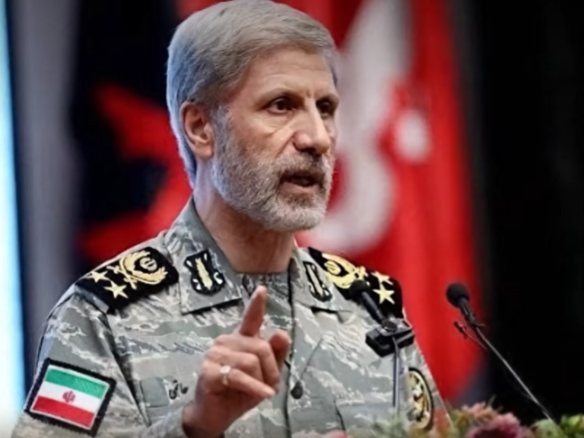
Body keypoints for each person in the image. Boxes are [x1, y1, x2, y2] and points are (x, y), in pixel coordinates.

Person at [11, 1, 445, 437]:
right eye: (281, 105)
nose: (317, 137)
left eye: (326, 108)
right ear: (201, 128)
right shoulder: (103, 318)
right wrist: (193, 427)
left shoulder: (370, 307)